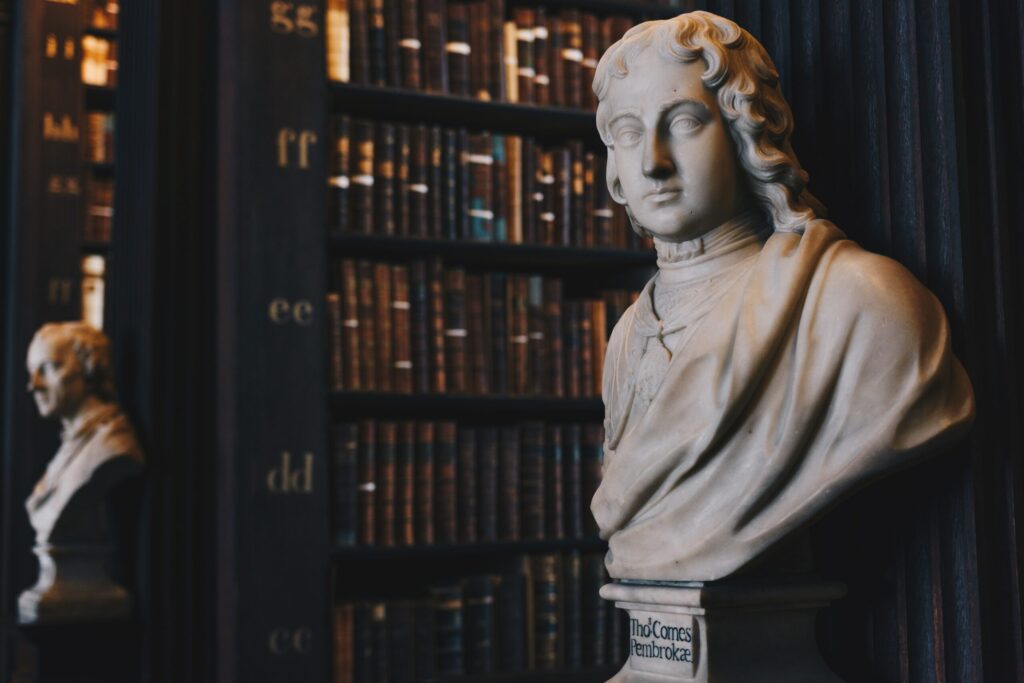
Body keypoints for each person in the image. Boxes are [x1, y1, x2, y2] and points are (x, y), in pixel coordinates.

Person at [590, 11, 974, 581]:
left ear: (747, 132)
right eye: (628, 131)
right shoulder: (627, 336)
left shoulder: (862, 305)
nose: (653, 161)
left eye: (686, 121)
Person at [19, 322, 143, 622]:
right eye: (32, 372)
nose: (33, 385)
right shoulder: (70, 444)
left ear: (89, 368)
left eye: (49, 368)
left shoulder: (112, 446)